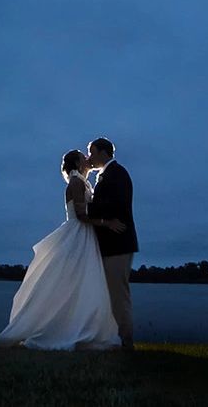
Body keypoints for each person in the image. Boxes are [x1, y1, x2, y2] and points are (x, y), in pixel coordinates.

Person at [0, 149, 125, 350]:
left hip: (84, 235)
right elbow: (80, 214)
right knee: (74, 282)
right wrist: (107, 223)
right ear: (78, 165)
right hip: (78, 234)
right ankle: (62, 328)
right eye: (83, 158)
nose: (87, 159)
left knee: (80, 283)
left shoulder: (80, 181)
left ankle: (76, 324)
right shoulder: (76, 182)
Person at [85, 137, 139, 350]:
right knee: (111, 295)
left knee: (118, 295)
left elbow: (115, 204)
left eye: (91, 152)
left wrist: (85, 210)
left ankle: (126, 343)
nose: (89, 157)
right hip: (111, 245)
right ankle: (114, 339)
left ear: (103, 153)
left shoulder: (117, 174)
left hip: (119, 244)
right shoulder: (106, 175)